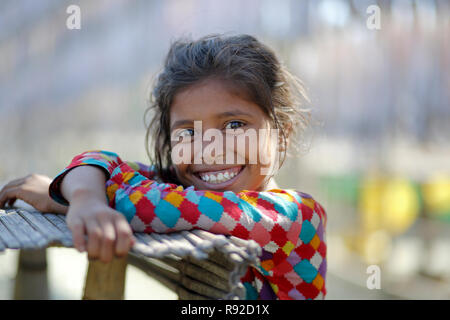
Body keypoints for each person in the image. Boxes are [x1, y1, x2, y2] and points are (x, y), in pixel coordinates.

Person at [0, 34, 327, 300]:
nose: (209, 150)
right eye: (188, 132)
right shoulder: (189, 188)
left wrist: (61, 198)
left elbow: (152, 206)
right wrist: (86, 198)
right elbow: (101, 161)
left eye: (234, 125)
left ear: (283, 133)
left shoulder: (297, 218)